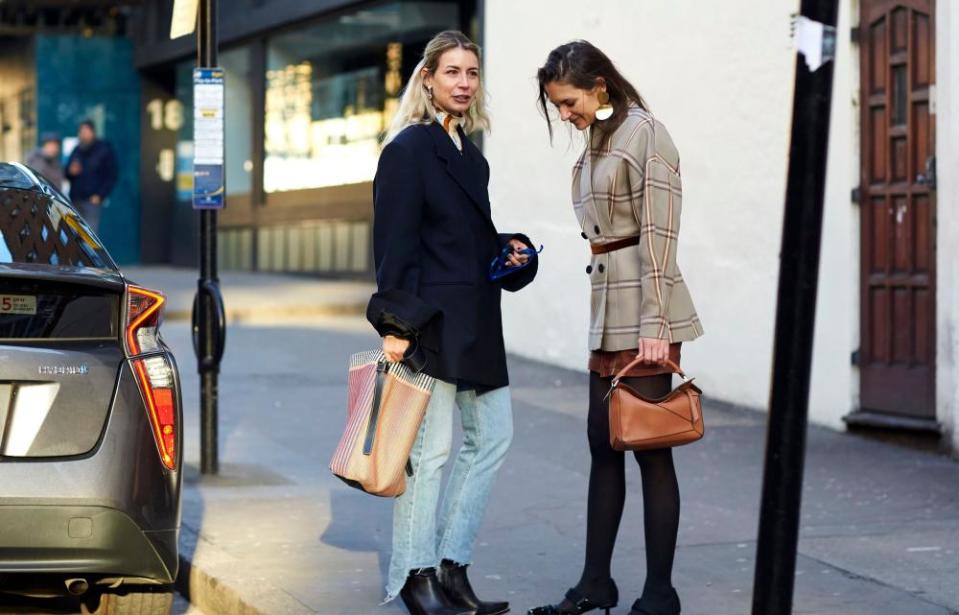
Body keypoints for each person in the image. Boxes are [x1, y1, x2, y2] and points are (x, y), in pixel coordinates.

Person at [366, 30, 539, 615]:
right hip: (430, 325)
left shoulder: (472, 157)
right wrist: (395, 324)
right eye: (452, 72)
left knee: (493, 438)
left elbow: (467, 241)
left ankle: (451, 565)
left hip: (477, 324)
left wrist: (510, 254)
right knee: (431, 453)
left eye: (471, 73)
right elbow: (394, 245)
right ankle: (416, 578)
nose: (464, 83)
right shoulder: (408, 149)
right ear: (427, 79)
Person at [528, 41, 704, 615]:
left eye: (569, 101)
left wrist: (656, 322)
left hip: (646, 310)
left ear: (599, 86)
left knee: (650, 448)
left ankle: (660, 594)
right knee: (603, 444)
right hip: (607, 312)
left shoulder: (646, 135)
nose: (565, 114)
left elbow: (660, 234)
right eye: (557, 105)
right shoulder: (599, 139)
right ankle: (594, 584)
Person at [65, 120, 118, 234]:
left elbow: (112, 175)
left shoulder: (103, 149)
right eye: (81, 131)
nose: (83, 134)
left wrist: (100, 195)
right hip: (76, 200)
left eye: (86, 131)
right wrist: (70, 172)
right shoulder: (77, 150)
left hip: (92, 202)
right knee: (73, 235)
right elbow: (67, 173)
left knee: (90, 236)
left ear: (92, 132)